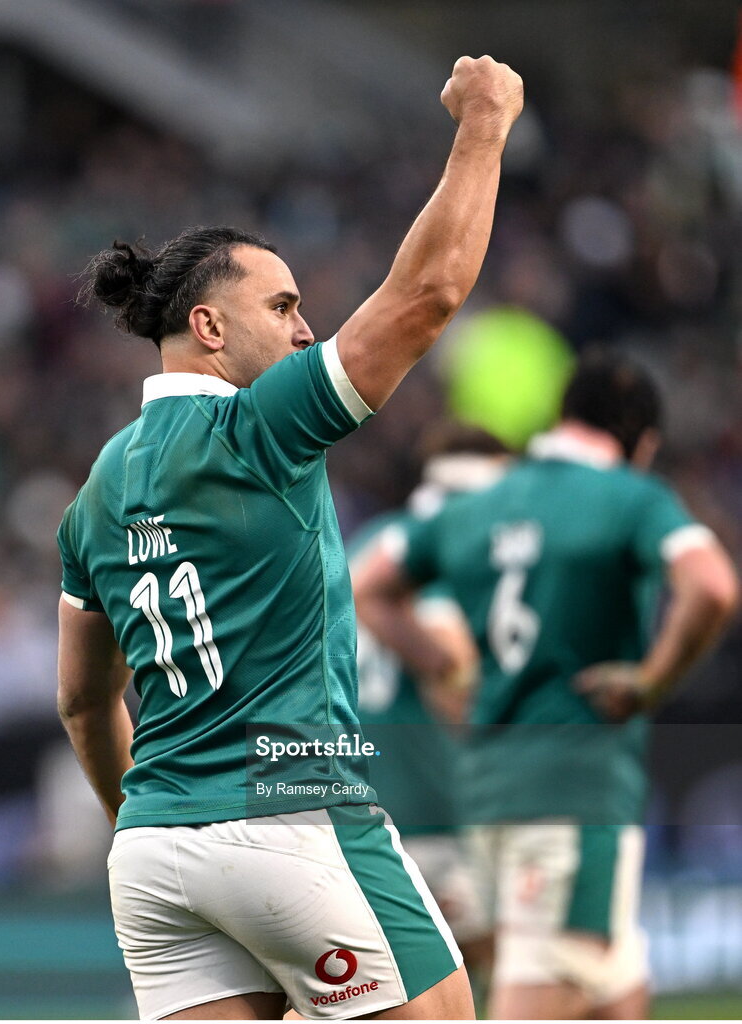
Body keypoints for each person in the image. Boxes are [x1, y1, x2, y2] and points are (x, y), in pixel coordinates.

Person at [55, 56, 523, 1021]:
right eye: (282, 307)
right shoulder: (258, 428)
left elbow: (82, 702)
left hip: (152, 855)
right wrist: (485, 122)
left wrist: (149, 821)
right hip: (293, 817)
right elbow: (428, 294)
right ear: (208, 326)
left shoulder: (94, 491)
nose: (307, 331)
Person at [352, 350, 740, 1021]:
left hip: (486, 795)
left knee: (618, 994)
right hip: (572, 797)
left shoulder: (481, 503)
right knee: (535, 999)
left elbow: (370, 588)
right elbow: (712, 585)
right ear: (643, 443)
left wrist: (440, 664)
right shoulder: (628, 497)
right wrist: (651, 682)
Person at [349, 426, 510, 953]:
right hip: (433, 803)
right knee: (504, 955)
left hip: (355, 799)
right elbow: (451, 679)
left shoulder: (369, 543)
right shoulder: (450, 546)